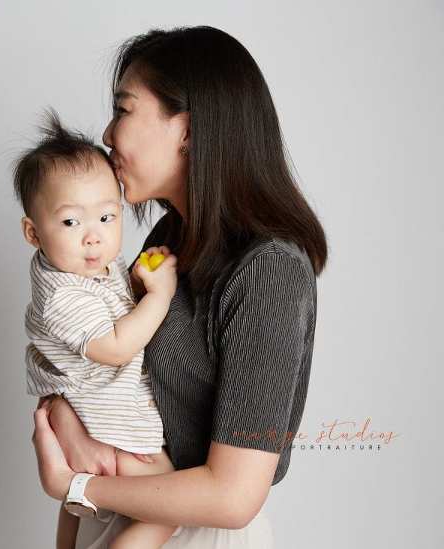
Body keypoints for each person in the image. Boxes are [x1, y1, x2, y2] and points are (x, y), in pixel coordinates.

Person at [31, 25, 328, 548]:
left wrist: (75, 484)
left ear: (187, 131)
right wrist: (66, 425)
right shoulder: (171, 238)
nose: (107, 133)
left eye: (123, 110)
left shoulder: (269, 272)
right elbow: (95, 360)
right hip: (115, 510)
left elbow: (233, 497)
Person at [14, 110, 185, 547]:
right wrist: (159, 295)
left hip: (89, 420)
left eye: (107, 217)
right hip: (109, 425)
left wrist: (135, 283)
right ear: (33, 232)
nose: (93, 236)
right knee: (170, 507)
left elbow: (110, 307)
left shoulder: (86, 268)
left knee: (76, 501)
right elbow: (115, 347)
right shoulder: (60, 294)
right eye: (71, 222)